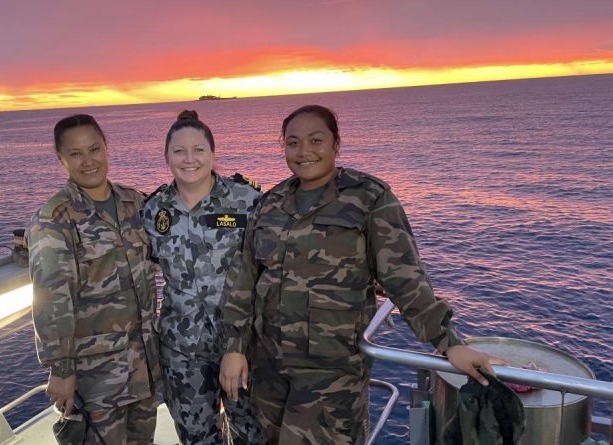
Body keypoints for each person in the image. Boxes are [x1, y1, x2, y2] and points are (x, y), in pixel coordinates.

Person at [219, 105, 505, 444]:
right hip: (268, 367)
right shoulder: (271, 203)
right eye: (293, 143)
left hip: (331, 373)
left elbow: (404, 277)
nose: (304, 151)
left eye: (316, 140)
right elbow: (244, 279)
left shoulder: (369, 197)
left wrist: (448, 343)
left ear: (336, 144)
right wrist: (234, 348)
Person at [28, 114, 162, 445]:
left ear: (106, 147)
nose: (88, 161)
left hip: (145, 362)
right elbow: (51, 301)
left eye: (94, 149)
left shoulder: (135, 203)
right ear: (61, 159)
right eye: (75, 154)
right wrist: (61, 371)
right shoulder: (54, 220)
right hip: (97, 376)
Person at [142, 110, 265, 445]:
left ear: (213, 153)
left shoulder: (248, 201)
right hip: (183, 352)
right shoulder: (153, 211)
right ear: (166, 156)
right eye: (179, 151)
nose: (189, 159)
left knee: (254, 435)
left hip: (242, 346)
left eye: (199, 149)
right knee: (196, 438)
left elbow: (269, 270)